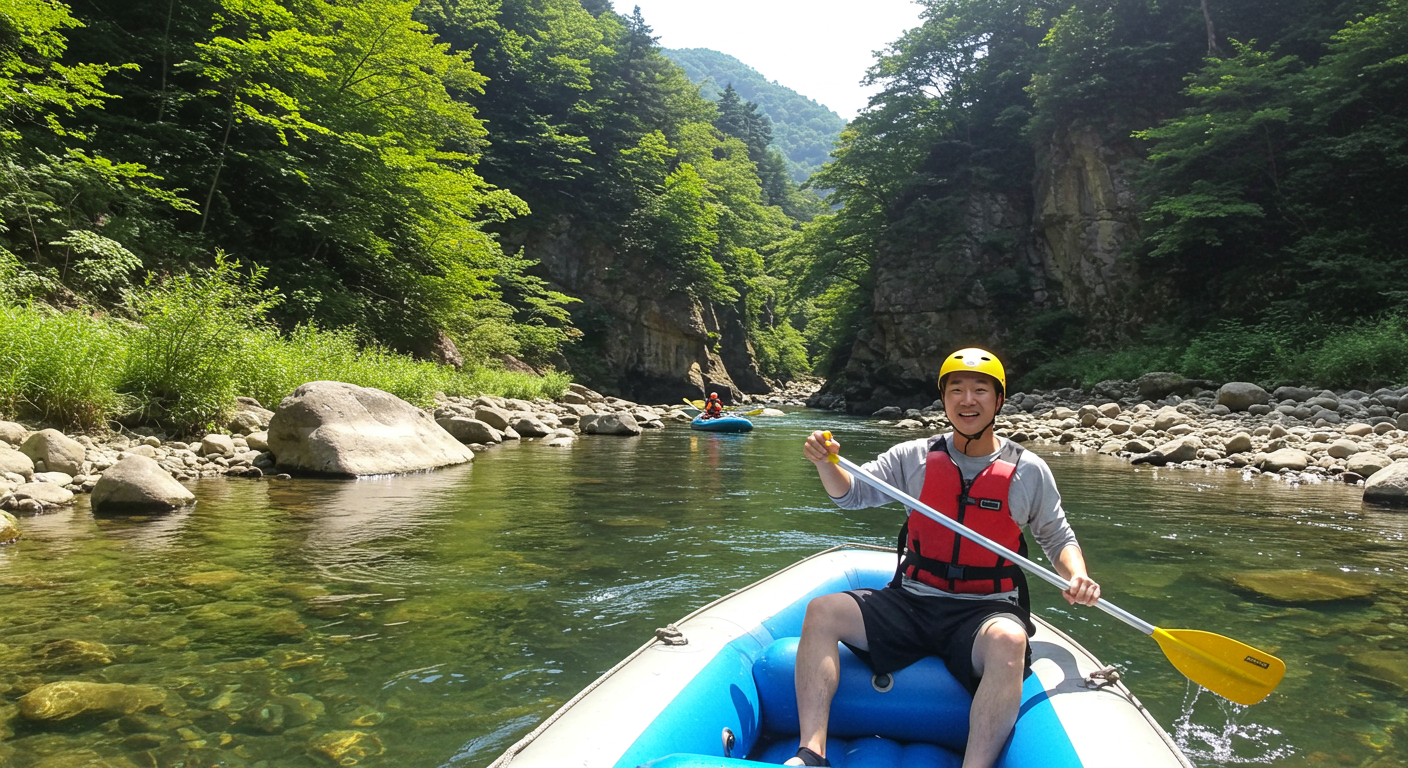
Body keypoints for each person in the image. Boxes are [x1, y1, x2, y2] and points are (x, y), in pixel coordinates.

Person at [790, 348, 1101, 768]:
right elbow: (851, 494)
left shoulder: (1028, 471)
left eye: (979, 391)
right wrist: (826, 464)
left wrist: (1077, 575)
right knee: (822, 611)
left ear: (999, 401)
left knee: (1011, 639)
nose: (966, 400)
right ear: (944, 399)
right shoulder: (913, 456)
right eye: (956, 390)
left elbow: (1057, 536)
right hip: (913, 599)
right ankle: (811, 752)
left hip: (984, 610)